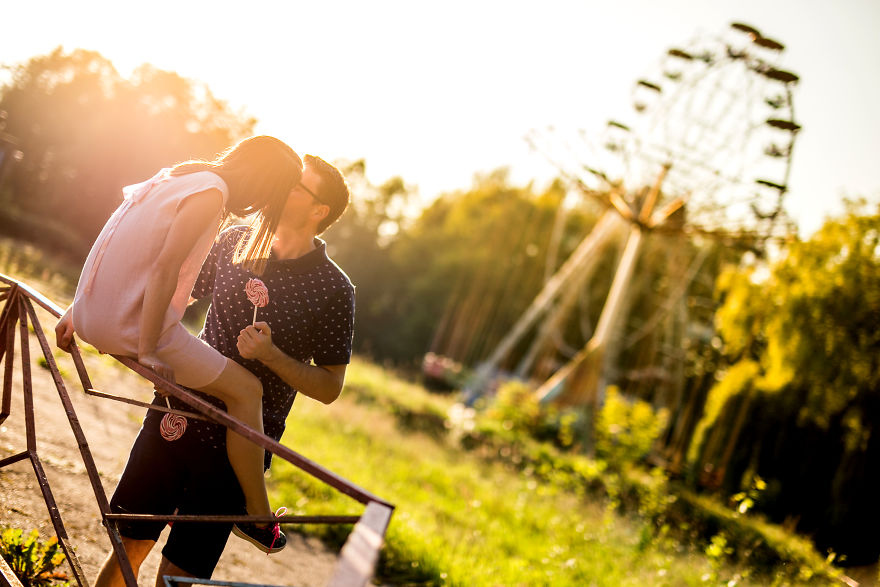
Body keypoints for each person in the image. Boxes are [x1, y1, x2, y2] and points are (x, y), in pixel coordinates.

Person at [88, 154, 354, 586]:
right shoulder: (235, 240)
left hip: (238, 449)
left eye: (295, 186)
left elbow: (329, 387)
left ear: (318, 210)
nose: (279, 186)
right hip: (176, 412)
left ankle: (254, 513)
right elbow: (168, 290)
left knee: (179, 578)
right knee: (127, 547)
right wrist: (84, 309)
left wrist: (272, 357)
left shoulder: (334, 288)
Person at [55, 136, 303, 555]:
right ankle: (257, 518)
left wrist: (79, 308)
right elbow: (165, 266)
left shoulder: (180, 175)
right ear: (263, 183)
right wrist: (150, 349)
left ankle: (246, 511)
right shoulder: (210, 194)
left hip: (98, 314)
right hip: (133, 327)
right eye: (272, 196)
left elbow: (112, 237)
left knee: (238, 389)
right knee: (248, 391)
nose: (264, 206)